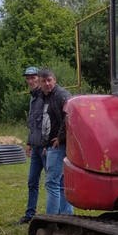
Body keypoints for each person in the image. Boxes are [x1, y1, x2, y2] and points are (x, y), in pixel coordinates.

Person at [38, 67, 75, 215]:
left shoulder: (61, 95)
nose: (47, 83)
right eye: (44, 81)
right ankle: (66, 216)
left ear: (55, 80)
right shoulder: (45, 96)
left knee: (52, 182)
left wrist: (60, 137)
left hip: (60, 144)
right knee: (60, 183)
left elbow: (68, 116)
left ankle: (51, 220)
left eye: (49, 80)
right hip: (51, 144)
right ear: (40, 83)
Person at [18, 66, 44, 225]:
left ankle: (58, 216)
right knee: (32, 181)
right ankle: (30, 214)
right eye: (28, 78)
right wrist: (29, 142)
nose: (31, 80)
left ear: (39, 78)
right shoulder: (33, 97)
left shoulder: (46, 95)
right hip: (35, 146)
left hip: (46, 147)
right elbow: (33, 123)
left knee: (54, 183)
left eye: (33, 77)